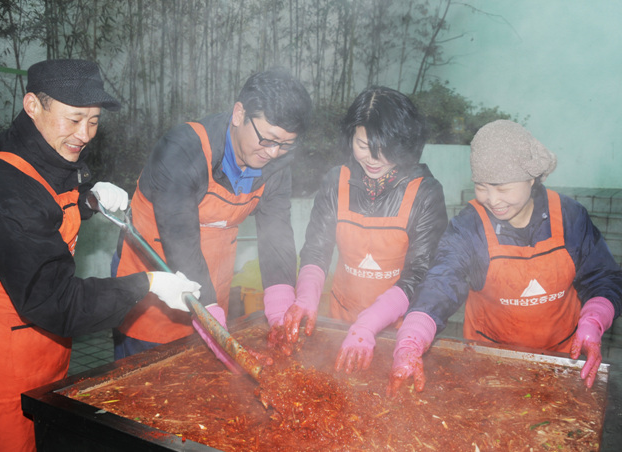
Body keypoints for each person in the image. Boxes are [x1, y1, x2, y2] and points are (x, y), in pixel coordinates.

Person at [0, 59, 201, 452]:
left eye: (94, 121)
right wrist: (146, 284)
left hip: (45, 352)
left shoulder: (46, 156)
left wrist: (88, 199)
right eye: (74, 119)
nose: (84, 134)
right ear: (33, 105)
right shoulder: (2, 185)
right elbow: (57, 300)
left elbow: (48, 209)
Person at [387, 119, 622, 395]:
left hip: (563, 361)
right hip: (488, 367)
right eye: (482, 186)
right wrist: (411, 341)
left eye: (502, 187)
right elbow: (440, 284)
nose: (493, 199)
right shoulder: (469, 227)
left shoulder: (570, 217)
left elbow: (603, 277)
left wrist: (593, 320)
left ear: (531, 178)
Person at [113, 68, 312, 360]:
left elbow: (276, 236)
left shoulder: (276, 164)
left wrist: (281, 312)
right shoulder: (182, 150)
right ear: (238, 114)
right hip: (152, 299)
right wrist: (217, 332)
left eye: (285, 145)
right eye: (267, 140)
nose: (273, 153)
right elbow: (181, 242)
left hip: (211, 299)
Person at [265, 86, 448, 373]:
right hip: (339, 324)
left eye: (384, 150)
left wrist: (368, 323)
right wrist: (306, 299)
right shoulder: (336, 181)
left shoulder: (425, 193)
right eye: (363, 146)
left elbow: (420, 274)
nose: (373, 159)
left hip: (396, 331)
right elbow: (317, 249)